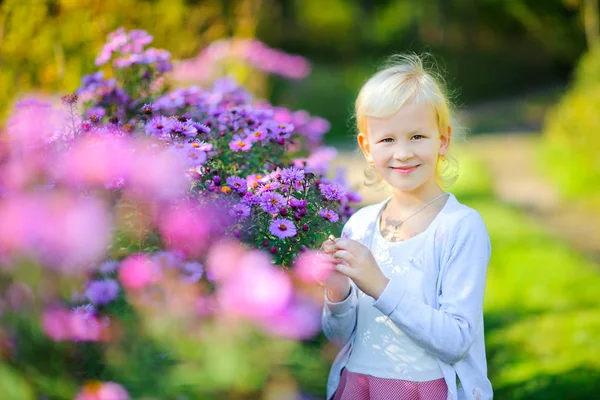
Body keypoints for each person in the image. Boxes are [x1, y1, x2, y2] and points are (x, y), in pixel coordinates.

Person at [320, 54, 492, 400]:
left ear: (443, 140)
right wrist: (337, 292)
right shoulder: (360, 225)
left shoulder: (460, 227)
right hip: (359, 386)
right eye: (387, 140)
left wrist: (380, 285)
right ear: (367, 149)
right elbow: (339, 333)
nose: (402, 153)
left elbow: (456, 340)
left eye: (417, 136)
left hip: (425, 389)